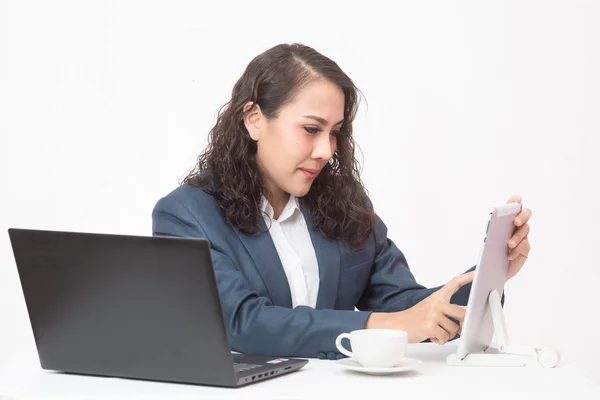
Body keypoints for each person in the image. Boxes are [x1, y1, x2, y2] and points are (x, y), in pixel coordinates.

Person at [151, 43, 532, 360]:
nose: (325, 150)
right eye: (311, 129)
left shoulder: (343, 205)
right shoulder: (186, 215)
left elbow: (404, 303)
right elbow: (242, 324)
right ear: (253, 119)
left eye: (335, 133)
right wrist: (383, 326)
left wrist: (488, 275)